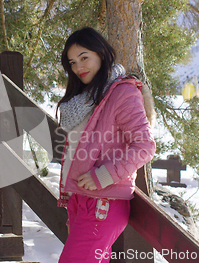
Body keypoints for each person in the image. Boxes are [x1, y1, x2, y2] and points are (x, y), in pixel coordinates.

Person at [56, 27, 156, 263]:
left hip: (104, 203)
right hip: (80, 200)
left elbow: (144, 146)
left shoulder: (123, 93)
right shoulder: (87, 98)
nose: (78, 67)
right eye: (72, 62)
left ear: (101, 54)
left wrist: (104, 175)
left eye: (84, 58)